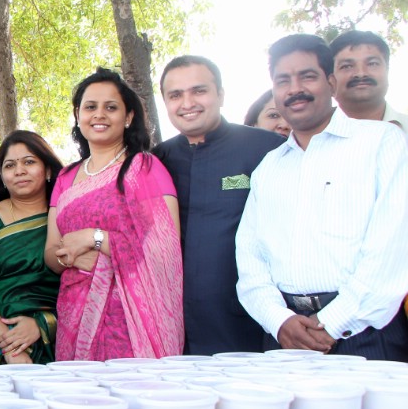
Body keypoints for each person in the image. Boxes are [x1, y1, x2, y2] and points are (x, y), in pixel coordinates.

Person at [236, 34, 408, 359]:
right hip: (286, 334)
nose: (294, 88)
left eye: (307, 76)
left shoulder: (382, 143)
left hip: (366, 334)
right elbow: (250, 258)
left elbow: (391, 251)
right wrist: (280, 320)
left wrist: (331, 323)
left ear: (331, 83)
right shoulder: (269, 168)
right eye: (283, 80)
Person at [46, 68, 183, 361]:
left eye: (111, 107)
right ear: (78, 115)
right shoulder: (66, 178)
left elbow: (164, 251)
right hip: (75, 313)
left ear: (128, 117)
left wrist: (95, 239)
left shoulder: (145, 169)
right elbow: (51, 252)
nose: (100, 115)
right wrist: (69, 257)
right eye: (90, 107)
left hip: (131, 319)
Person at [153, 56, 284, 355]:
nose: (187, 103)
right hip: (174, 332)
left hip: (252, 328)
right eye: (175, 95)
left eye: (199, 91)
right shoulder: (156, 162)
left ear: (221, 95)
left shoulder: (267, 149)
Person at [0, 131, 61, 367]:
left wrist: (42, 324)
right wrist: (10, 346)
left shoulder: (66, 217)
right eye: (10, 165)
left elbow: (84, 286)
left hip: (56, 338)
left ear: (47, 170)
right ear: (2, 176)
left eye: (29, 162)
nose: (19, 171)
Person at [330, 30, 408, 135]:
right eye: (347, 66)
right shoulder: (310, 137)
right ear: (330, 79)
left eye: (372, 64)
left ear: (387, 70)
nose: (361, 73)